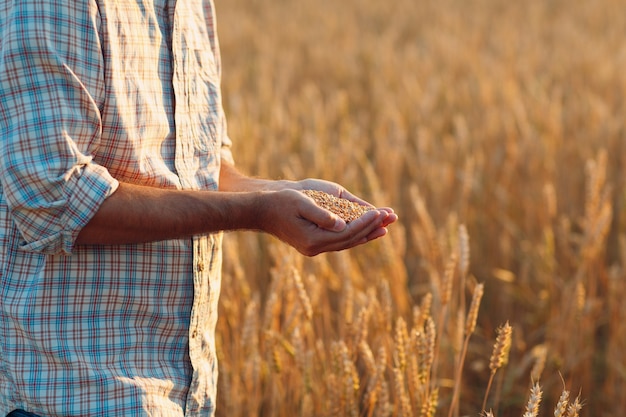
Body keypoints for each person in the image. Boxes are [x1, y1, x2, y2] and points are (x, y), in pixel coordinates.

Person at [0, 1, 397, 416]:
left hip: (185, 395)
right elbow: (52, 195)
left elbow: (205, 167)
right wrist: (257, 211)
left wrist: (280, 192)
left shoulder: (191, 6)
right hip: (70, 394)